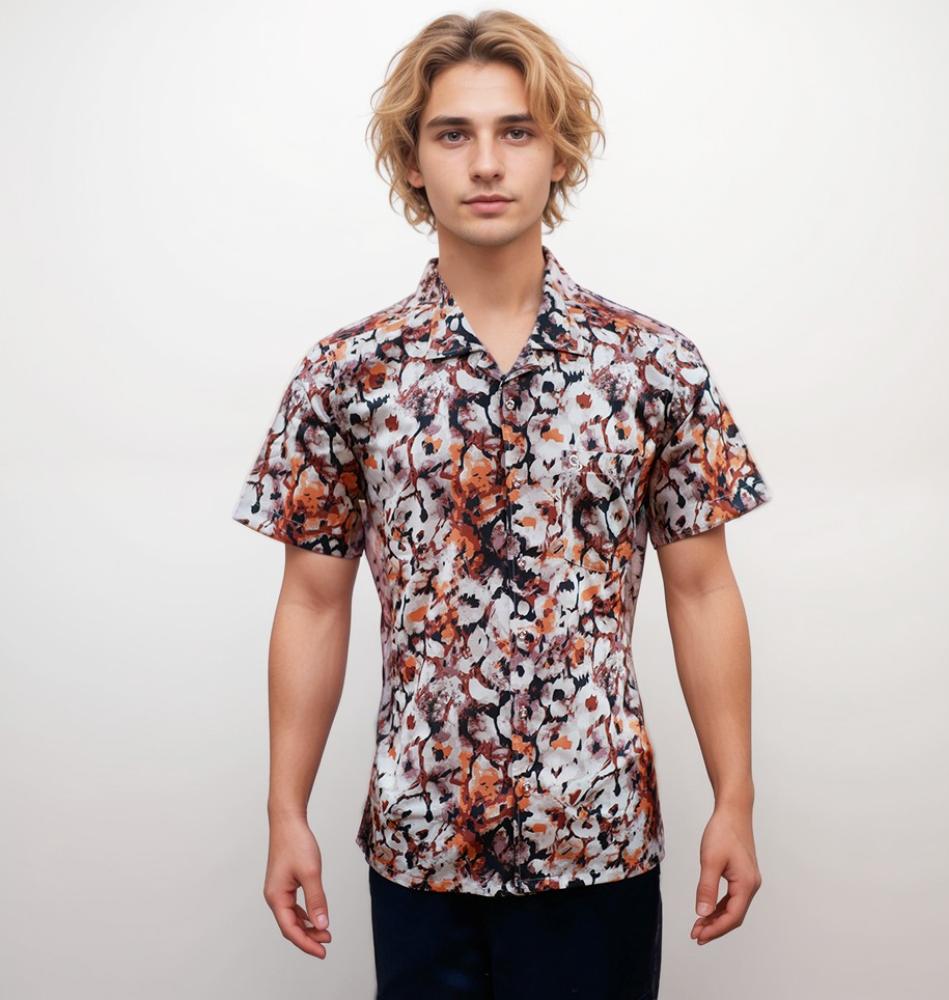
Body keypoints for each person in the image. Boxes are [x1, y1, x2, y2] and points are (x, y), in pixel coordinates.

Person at [231, 10, 773, 999]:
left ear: (558, 152)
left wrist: (734, 797)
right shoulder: (348, 374)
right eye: (454, 133)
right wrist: (284, 809)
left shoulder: (652, 366)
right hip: (420, 845)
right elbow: (312, 599)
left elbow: (702, 589)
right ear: (412, 161)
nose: (486, 162)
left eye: (516, 131)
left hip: (597, 838)